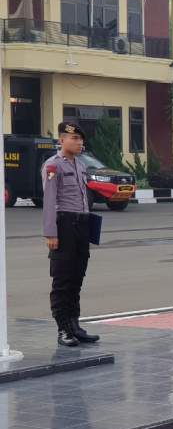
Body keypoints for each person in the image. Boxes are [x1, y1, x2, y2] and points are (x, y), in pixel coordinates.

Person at [41, 122, 100, 347]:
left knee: (77, 277)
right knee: (63, 280)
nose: (79, 143)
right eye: (74, 139)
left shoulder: (81, 165)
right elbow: (49, 202)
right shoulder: (53, 166)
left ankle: (75, 325)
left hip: (81, 225)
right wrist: (50, 233)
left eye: (80, 139)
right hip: (63, 225)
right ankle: (63, 328)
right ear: (62, 140)